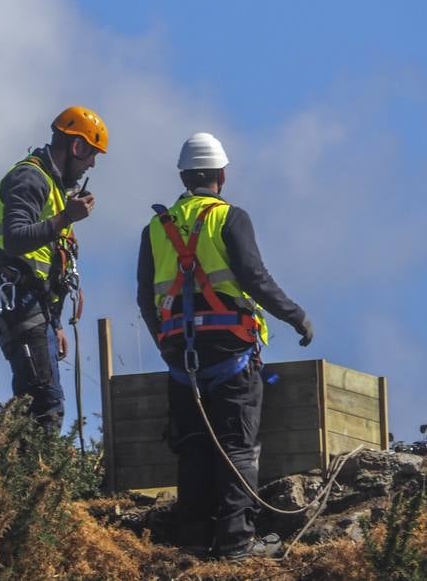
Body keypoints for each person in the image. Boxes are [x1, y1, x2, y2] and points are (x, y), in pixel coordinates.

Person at [137, 131, 314, 560]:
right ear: (220, 174)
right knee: (237, 446)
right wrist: (295, 315)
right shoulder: (229, 218)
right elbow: (254, 278)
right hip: (232, 353)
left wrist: (164, 345)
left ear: (183, 175)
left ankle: (194, 541)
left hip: (182, 358)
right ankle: (237, 543)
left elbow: (146, 298)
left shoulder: (156, 228)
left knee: (194, 446)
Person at [0, 106, 106, 432]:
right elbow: (13, 239)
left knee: (41, 403)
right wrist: (66, 218)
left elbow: (49, 265)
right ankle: (35, 480)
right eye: (91, 154)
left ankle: (31, 475)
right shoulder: (29, 179)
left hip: (38, 312)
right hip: (22, 306)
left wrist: (56, 324)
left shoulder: (52, 185)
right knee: (43, 404)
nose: (92, 164)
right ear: (76, 147)